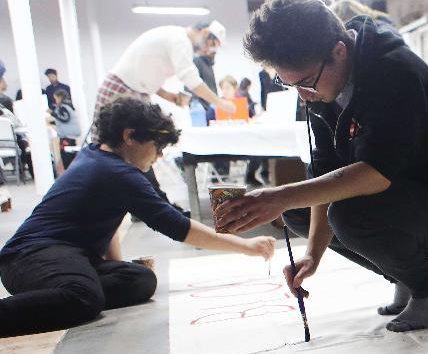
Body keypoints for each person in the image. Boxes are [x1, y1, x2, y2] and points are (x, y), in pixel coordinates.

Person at [218, 0, 428, 333]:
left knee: (347, 215)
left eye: (304, 82)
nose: (302, 95)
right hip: (401, 197)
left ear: (339, 51)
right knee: (297, 211)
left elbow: (377, 173)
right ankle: (404, 275)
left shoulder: (393, 71)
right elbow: (325, 172)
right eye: (289, 85)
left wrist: (281, 195)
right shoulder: (322, 88)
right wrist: (312, 255)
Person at [0, 98, 273, 337]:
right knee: (84, 297)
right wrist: (246, 246)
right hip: (30, 257)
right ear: (130, 136)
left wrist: (116, 267)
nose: (160, 154)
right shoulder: (118, 173)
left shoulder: (99, 158)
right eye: (157, 146)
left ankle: (57, 295)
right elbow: (176, 226)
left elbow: (110, 219)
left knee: (139, 280)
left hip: (64, 256)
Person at [95, 20, 235, 206]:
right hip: (121, 89)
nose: (209, 50)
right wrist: (221, 103)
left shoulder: (173, 37)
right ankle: (144, 202)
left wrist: (171, 97)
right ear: (204, 32)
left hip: (136, 92)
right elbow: (192, 80)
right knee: (110, 150)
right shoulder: (181, 40)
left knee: (139, 150)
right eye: (211, 44)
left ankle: (149, 203)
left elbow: (148, 78)